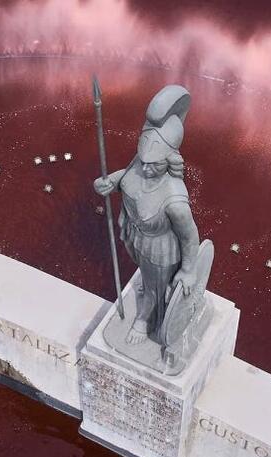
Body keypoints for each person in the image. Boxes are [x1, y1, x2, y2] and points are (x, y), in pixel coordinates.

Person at [93, 85, 201, 347]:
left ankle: (144, 319)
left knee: (153, 286)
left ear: (170, 160)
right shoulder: (141, 163)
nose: (146, 168)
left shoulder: (175, 199)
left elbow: (189, 236)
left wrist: (188, 270)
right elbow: (125, 177)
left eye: (155, 164)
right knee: (147, 278)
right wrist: (107, 182)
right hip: (136, 236)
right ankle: (153, 294)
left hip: (160, 248)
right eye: (143, 162)